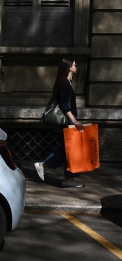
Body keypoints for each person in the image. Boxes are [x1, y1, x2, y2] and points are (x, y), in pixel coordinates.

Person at [34, 58, 84, 187]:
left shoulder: (67, 82)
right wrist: (74, 120)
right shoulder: (65, 84)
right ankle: (63, 176)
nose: (77, 67)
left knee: (67, 149)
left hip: (66, 121)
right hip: (64, 122)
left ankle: (67, 178)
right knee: (68, 149)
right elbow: (63, 104)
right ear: (68, 67)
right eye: (75, 65)